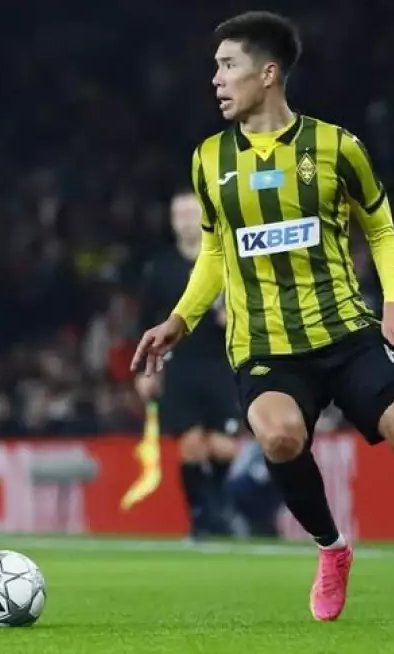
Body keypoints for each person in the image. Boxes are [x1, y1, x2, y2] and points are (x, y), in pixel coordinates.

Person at [131, 11, 394, 622]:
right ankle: (332, 549)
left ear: (268, 73)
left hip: (346, 332)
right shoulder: (209, 160)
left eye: (227, 66)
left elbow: (380, 229)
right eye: (215, 68)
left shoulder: (336, 147)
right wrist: (180, 320)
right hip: (265, 344)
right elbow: (217, 252)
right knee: (279, 436)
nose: (216, 80)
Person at [136, 191, 241, 540]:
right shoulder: (161, 268)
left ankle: (217, 506)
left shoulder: (225, 261)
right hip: (181, 366)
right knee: (192, 446)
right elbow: (145, 322)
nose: (184, 221)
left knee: (223, 447)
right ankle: (201, 517)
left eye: (190, 213)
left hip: (222, 365)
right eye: (177, 215)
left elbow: (253, 303)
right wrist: (146, 370)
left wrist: (234, 318)